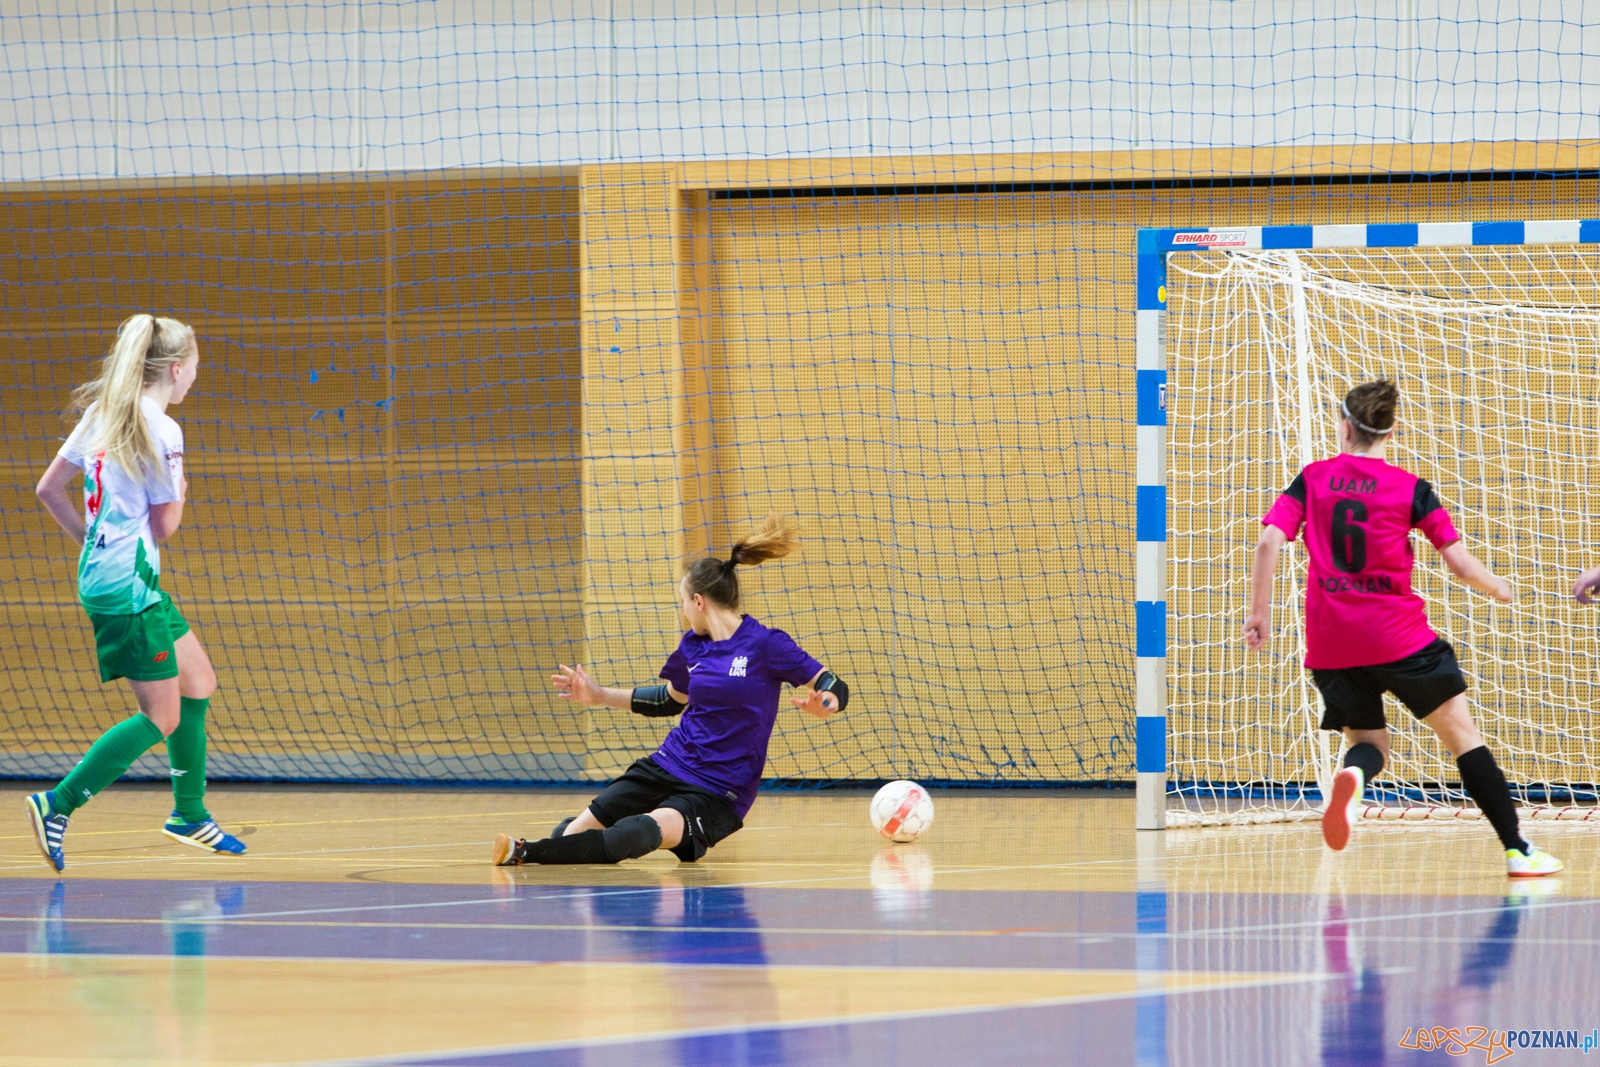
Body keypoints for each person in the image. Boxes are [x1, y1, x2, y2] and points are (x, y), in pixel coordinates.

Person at [1244, 379, 1561, 877]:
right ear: (1390, 432)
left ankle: (1352, 775)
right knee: (1465, 740)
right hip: (1401, 640)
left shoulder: (1313, 478)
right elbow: (1457, 563)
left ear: (1344, 427)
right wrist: (1496, 585)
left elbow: (1268, 542)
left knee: (1369, 745)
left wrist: (1258, 613)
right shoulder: (1411, 489)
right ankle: (1518, 850)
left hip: (1333, 646)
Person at [493, 515, 847, 865]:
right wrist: (598, 695)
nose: (682, 611)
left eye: (681, 602)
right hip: (667, 764)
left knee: (634, 834)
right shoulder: (692, 646)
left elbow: (832, 685)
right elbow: (667, 701)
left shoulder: (766, 645)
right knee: (570, 837)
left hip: (717, 790)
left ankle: (525, 851)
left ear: (698, 601)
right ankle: (561, 847)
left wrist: (826, 703)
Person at [27, 313, 245, 872]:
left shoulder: (104, 411)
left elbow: (49, 490)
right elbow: (166, 525)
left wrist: (92, 542)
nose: (196, 377)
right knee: (161, 717)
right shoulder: (163, 428)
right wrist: (182, 492)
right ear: (175, 369)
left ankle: (189, 814)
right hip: (129, 584)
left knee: (199, 679)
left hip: (111, 574)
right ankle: (58, 802)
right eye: (195, 367)